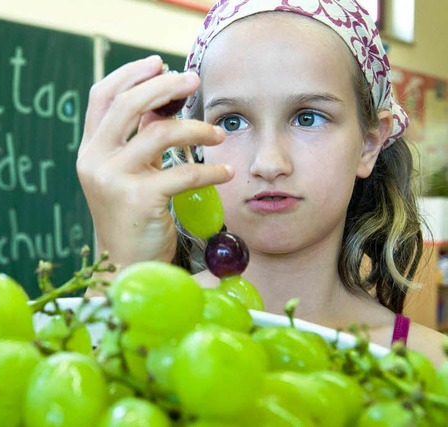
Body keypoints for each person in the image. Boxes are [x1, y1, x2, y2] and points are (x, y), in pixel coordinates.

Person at [76, 0, 447, 366]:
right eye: (232, 122)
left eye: (308, 118)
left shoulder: (427, 367)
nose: (268, 163)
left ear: (369, 143)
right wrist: (119, 273)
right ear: (197, 144)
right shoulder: (139, 327)